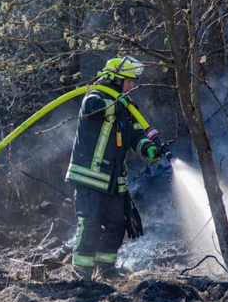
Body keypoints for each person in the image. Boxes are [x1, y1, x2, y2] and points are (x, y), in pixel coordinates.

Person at [66, 56, 160, 282]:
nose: (132, 86)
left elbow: (136, 135)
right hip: (90, 178)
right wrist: (120, 103)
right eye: (129, 81)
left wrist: (149, 149)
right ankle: (81, 275)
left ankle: (106, 270)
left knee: (117, 227)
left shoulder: (126, 107)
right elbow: (93, 109)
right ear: (116, 80)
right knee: (89, 225)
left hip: (114, 182)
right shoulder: (95, 96)